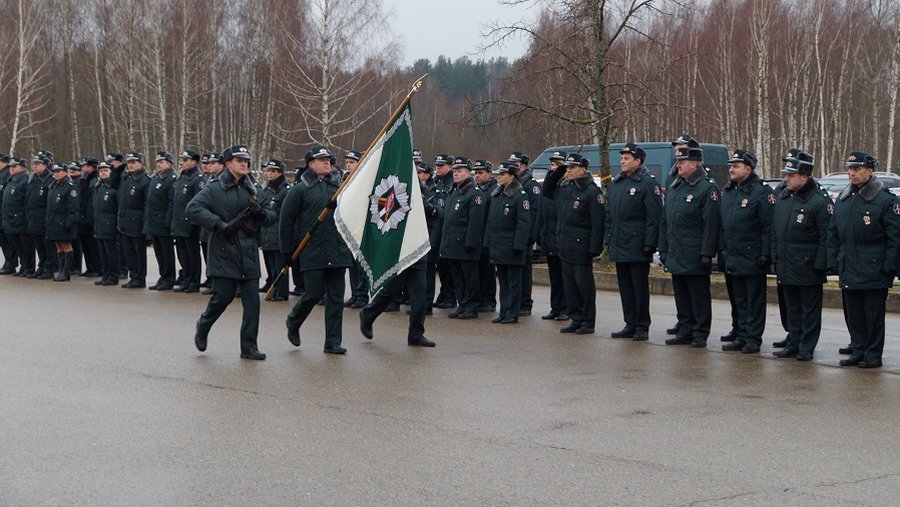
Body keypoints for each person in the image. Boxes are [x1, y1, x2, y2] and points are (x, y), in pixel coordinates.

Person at [187, 144, 274, 360]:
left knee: (252, 302)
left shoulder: (253, 189)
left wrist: (262, 213)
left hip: (249, 251)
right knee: (222, 297)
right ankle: (204, 325)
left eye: (246, 160)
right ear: (228, 164)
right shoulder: (215, 188)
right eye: (239, 160)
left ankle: (249, 346)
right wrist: (218, 224)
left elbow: (273, 216)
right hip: (225, 250)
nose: (244, 164)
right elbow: (193, 209)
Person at [828, 152, 900, 369]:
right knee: (855, 314)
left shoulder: (885, 200)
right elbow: (833, 232)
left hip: (874, 268)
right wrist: (833, 260)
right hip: (849, 265)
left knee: (872, 316)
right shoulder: (845, 198)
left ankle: (873, 354)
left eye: (857, 169)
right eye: (850, 169)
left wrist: (889, 266)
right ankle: (858, 349)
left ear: (869, 171)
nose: (852, 173)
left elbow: (895, 237)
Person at [280, 145, 353, 354]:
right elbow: (286, 221)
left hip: (337, 249)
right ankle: (294, 321)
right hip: (312, 249)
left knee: (336, 298)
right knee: (313, 293)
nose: (327, 162)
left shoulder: (339, 188)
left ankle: (333, 341)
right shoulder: (300, 189)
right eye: (322, 159)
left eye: (329, 159)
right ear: (310, 164)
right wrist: (287, 251)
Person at [771, 150, 831, 361]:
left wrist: (821, 264)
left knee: (809, 310)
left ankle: (807, 346)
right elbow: (776, 230)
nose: (786, 178)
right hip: (787, 263)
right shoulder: (784, 198)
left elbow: (826, 236)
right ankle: (794, 342)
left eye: (791, 175)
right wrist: (774, 256)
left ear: (804, 176)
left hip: (808, 265)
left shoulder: (818, 201)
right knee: (792, 308)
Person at [659, 144, 720, 348]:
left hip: (695, 252)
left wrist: (706, 253)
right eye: (678, 161)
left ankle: (700, 332)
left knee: (698, 296)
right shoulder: (677, 186)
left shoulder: (706, 187)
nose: (678, 165)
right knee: (682, 295)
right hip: (677, 250)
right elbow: (666, 220)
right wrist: (664, 248)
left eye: (682, 161)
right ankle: (685, 329)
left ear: (694, 164)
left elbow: (711, 224)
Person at [718, 149, 775, 354]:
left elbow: (768, 226)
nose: (731, 169)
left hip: (753, 255)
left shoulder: (761, 192)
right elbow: (723, 224)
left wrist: (765, 254)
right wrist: (722, 249)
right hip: (733, 254)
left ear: (748, 169)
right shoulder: (729, 191)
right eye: (730, 166)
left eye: (736, 166)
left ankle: (753, 338)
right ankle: (741, 334)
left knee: (754, 301)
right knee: (739, 299)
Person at [541, 153, 605, 335]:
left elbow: (598, 223)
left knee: (584, 286)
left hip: (581, 246)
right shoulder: (566, 188)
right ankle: (576, 318)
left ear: (583, 170)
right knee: (569, 285)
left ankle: (588, 320)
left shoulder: (591, 192)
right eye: (567, 168)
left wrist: (595, 248)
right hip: (565, 245)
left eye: (571, 168)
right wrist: (560, 169)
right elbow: (547, 190)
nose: (568, 171)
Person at [605, 143, 663, 341]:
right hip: (620, 243)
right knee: (625, 287)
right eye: (622, 157)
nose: (622, 161)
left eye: (627, 158)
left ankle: (642, 325)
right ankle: (630, 323)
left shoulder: (647, 183)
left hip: (638, 244)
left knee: (639, 288)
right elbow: (610, 214)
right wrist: (609, 237)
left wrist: (650, 244)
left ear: (638, 161)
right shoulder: (618, 182)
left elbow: (654, 217)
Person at [439, 156, 487, 319]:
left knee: (469, 277)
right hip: (452, 243)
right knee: (457, 277)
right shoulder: (453, 191)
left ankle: (472, 306)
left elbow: (475, 223)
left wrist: (471, 244)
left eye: (459, 171)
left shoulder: (474, 194)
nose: (456, 174)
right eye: (454, 171)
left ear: (468, 173)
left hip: (466, 245)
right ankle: (463, 303)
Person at [483, 162, 531, 323]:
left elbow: (523, 224)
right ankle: (504, 311)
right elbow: (491, 221)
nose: (499, 177)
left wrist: (518, 246)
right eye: (498, 174)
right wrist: (488, 242)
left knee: (514, 283)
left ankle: (513, 313)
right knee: (503, 282)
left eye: (502, 174)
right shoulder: (497, 195)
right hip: (499, 246)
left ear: (512, 176)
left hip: (512, 247)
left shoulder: (519, 195)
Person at [510, 151, 541, 316]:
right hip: (513, 236)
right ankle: (517, 302)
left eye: (514, 164)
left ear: (522, 166)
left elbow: (534, 213)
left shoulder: (530, 186)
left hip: (525, 236)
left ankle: (525, 303)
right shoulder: (513, 184)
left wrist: (530, 237)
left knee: (524, 271)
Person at [538, 151, 568, 321]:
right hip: (550, 236)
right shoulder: (550, 187)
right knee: (554, 277)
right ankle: (555, 307)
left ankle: (566, 308)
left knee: (565, 278)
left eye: (558, 164)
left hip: (562, 238)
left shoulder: (566, 186)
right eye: (553, 164)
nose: (554, 168)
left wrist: (561, 170)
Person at [258, 158, 290, 302]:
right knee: (270, 264)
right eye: (267, 171)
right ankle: (272, 286)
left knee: (279, 265)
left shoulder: (284, 190)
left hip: (278, 233)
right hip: (266, 232)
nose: (269, 174)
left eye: (273, 171)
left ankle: (281, 292)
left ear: (280, 172)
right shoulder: (266, 188)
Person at [171, 149, 203, 293]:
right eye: (182, 160)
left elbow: (198, 203)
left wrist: (193, 222)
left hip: (190, 223)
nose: (183, 163)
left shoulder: (197, 179)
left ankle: (194, 281)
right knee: (182, 254)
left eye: (186, 160)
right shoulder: (182, 177)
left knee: (192, 254)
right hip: (178, 222)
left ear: (194, 162)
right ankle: (187, 278)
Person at [145, 151, 177, 291]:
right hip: (153, 222)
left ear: (169, 164)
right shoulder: (155, 178)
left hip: (163, 222)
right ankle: (162, 276)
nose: (158, 164)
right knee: (158, 252)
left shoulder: (171, 179)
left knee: (166, 252)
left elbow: (171, 202)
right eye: (157, 162)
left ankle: (169, 278)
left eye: (162, 162)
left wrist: (168, 221)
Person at [118, 152, 151, 288]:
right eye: (129, 163)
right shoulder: (127, 179)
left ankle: (140, 278)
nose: (131, 165)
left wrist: (145, 225)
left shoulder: (145, 181)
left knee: (139, 253)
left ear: (140, 163)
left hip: (137, 222)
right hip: (125, 222)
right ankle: (133, 276)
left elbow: (146, 205)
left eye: (134, 163)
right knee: (129, 252)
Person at [342, 149, 369, 308]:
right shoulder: (344, 179)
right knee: (352, 265)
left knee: (361, 265)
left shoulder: (365, 180)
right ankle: (354, 294)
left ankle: (362, 296)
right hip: (349, 226)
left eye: (352, 162)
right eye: (347, 162)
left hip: (362, 227)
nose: (348, 165)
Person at [45, 163, 80, 281]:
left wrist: (69, 223)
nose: (55, 173)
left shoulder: (69, 186)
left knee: (66, 246)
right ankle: (61, 270)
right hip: (53, 222)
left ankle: (66, 271)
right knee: (58, 247)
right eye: (54, 171)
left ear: (65, 172)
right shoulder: (53, 185)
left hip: (64, 222)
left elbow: (73, 207)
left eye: (58, 171)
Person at [432, 153, 456, 309]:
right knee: (441, 266)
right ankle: (445, 292)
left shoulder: (451, 183)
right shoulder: (437, 182)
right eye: (437, 165)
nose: (438, 168)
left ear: (450, 167)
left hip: (447, 229)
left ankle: (450, 295)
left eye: (441, 165)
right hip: (437, 228)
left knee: (448, 266)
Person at [26, 151, 56, 279]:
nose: (35, 166)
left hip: (45, 216)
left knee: (48, 245)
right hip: (34, 217)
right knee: (39, 245)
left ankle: (49, 268)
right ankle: (42, 265)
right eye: (34, 164)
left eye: (38, 164)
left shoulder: (50, 179)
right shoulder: (33, 178)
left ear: (46, 165)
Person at [473, 159, 498, 312]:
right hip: (477, 235)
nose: (478, 176)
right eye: (476, 173)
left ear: (489, 173)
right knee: (478, 270)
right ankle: (480, 298)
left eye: (481, 173)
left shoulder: (494, 190)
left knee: (488, 271)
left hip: (488, 235)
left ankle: (489, 300)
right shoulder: (477, 190)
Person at [91, 162, 121, 286]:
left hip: (110, 224)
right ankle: (106, 274)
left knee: (111, 252)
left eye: (106, 170)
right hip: (99, 224)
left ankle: (113, 275)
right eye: (101, 171)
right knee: (103, 253)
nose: (103, 173)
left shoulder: (114, 187)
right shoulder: (98, 187)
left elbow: (118, 207)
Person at [2, 158, 32, 276]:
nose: (11, 168)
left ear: (22, 167)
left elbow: (27, 201)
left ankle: (28, 267)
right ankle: (24, 266)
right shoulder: (12, 179)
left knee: (25, 245)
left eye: (14, 166)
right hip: (9, 219)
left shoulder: (25, 180)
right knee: (17, 246)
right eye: (10, 166)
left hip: (20, 218)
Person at [418, 162, 441, 315]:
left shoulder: (430, 191)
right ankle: (418, 304)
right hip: (418, 237)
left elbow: (436, 214)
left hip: (429, 236)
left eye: (420, 172)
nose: (418, 174)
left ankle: (426, 305)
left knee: (427, 274)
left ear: (427, 174)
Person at [74, 157, 101, 277]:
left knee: (93, 246)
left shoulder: (95, 179)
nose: (83, 168)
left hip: (89, 218)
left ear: (91, 167)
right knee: (85, 245)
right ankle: (90, 267)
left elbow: (92, 201)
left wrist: (88, 217)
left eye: (85, 166)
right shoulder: (84, 179)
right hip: (82, 216)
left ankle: (97, 267)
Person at [0, 153, 16, 275]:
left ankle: (11, 262)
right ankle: (8, 261)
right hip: (2, 211)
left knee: (7, 239)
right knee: (4, 239)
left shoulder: (7, 174)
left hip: (5, 211)